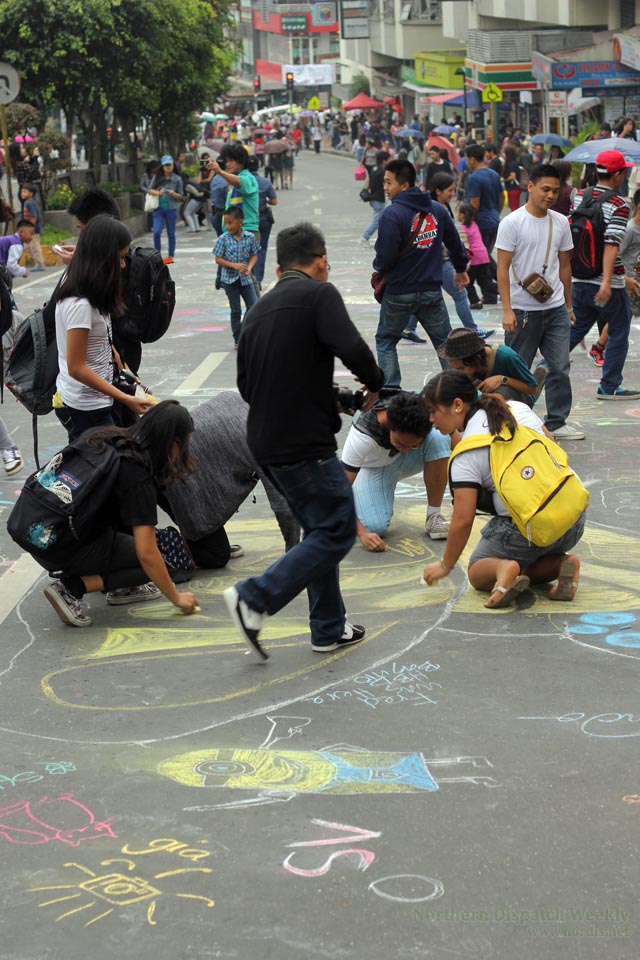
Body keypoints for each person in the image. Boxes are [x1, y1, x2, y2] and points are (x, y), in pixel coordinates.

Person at [223, 222, 384, 659]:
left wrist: (330, 399)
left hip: (265, 441)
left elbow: (250, 386)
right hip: (303, 445)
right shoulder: (319, 294)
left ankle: (328, 628)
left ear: (277, 266)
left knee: (319, 529)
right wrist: (374, 382)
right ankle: (254, 597)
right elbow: (352, 347)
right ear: (320, 260)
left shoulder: (256, 312)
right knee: (335, 531)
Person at [23, 401, 200, 626]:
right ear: (173, 441)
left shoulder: (107, 435)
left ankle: (118, 584)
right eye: (186, 443)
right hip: (59, 545)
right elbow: (147, 553)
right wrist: (176, 598)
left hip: (36, 529)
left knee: (138, 544)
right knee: (156, 559)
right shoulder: (137, 473)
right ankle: (71, 589)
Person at [421, 371, 585, 607]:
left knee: (478, 571)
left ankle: (504, 568)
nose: (431, 419)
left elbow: (463, 519)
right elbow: (554, 451)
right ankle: (561, 564)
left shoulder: (466, 452)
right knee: (526, 557)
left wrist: (445, 565)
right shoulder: (516, 407)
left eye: (433, 410)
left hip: (530, 528)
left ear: (457, 405)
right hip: (573, 516)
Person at [496, 164, 585, 440]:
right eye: (545, 189)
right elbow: (502, 267)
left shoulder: (560, 222)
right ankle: (517, 421)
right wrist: (507, 309)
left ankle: (557, 421)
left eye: (555, 191)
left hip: (555, 309)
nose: (550, 195)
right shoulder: (512, 223)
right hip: (522, 312)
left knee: (559, 366)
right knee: (517, 369)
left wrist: (568, 306)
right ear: (530, 186)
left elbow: (565, 266)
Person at [162, 392, 299, 567]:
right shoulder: (265, 439)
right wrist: (295, 552)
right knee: (214, 556)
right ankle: (152, 547)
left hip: (166, 463)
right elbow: (284, 506)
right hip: (172, 481)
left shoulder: (237, 397)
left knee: (213, 542)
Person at [53, 215, 152, 443]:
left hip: (101, 398)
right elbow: (76, 367)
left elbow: (102, 338)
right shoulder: (80, 304)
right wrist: (125, 399)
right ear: (102, 258)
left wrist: (122, 366)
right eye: (119, 257)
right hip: (85, 407)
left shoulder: (91, 285)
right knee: (97, 471)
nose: (123, 265)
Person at [372, 159, 469, 388]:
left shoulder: (392, 214)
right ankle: (457, 391)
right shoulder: (437, 210)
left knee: (386, 340)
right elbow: (455, 244)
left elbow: (384, 258)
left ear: (404, 185)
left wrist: (379, 267)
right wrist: (460, 269)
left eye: (388, 183)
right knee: (445, 344)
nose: (385, 187)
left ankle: (390, 391)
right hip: (430, 291)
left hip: (398, 292)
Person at [569, 150, 640, 401]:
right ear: (618, 174)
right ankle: (609, 385)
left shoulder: (579, 197)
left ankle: (547, 363)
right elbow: (611, 244)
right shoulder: (619, 204)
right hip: (606, 284)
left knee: (578, 326)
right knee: (620, 326)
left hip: (579, 278)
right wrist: (608, 282)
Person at [341, 391, 450, 551]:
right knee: (374, 527)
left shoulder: (423, 410)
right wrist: (362, 533)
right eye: (400, 443)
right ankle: (361, 488)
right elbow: (340, 490)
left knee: (440, 437)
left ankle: (434, 515)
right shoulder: (363, 434)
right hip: (373, 468)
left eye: (413, 445)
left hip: (401, 462)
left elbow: (458, 444)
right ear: (390, 425)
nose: (406, 450)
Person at [437, 328, 543, 407]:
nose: (459, 372)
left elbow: (532, 389)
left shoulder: (506, 356)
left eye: (461, 369)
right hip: (487, 392)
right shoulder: (468, 364)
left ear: (477, 358)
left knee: (499, 393)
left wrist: (503, 379)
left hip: (518, 398)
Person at [213, 207, 260, 347]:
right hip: (229, 280)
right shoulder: (223, 239)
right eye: (225, 223)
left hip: (246, 279)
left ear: (240, 222)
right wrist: (234, 266)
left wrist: (249, 268)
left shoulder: (250, 237)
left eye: (230, 223)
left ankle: (245, 333)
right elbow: (218, 259)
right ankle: (238, 339)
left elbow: (254, 255)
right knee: (236, 310)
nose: (227, 226)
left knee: (253, 306)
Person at [208, 143, 259, 240]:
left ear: (241, 161)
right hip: (232, 231)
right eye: (226, 161)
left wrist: (220, 171)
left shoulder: (248, 178)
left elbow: (239, 182)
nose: (227, 164)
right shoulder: (232, 181)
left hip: (246, 231)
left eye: (231, 161)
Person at [456, 203, 499, 307]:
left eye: (457, 212)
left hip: (474, 258)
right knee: (485, 281)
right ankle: (503, 288)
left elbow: (466, 246)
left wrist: (467, 262)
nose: (456, 214)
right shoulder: (474, 224)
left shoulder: (463, 228)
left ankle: (475, 302)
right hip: (484, 256)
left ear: (462, 215)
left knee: (468, 282)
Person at [465, 144, 503, 257]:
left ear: (472, 159)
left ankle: (498, 274)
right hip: (495, 221)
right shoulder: (494, 174)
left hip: (481, 223)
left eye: (467, 159)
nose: (466, 162)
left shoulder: (474, 178)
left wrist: (468, 222)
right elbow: (502, 197)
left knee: (481, 257)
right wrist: (496, 212)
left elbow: (474, 204)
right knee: (485, 255)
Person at [247, 155, 277, 284]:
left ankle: (249, 275)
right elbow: (274, 201)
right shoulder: (265, 182)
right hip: (263, 218)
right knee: (261, 249)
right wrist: (265, 200)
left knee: (247, 249)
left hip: (247, 219)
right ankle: (258, 278)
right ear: (258, 167)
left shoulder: (242, 181)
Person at [148, 155, 184, 258]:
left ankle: (170, 257)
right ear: (162, 166)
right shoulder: (157, 177)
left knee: (171, 234)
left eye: (169, 165)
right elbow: (150, 190)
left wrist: (174, 193)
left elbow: (181, 196)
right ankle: (157, 256)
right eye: (166, 165)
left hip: (171, 209)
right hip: (158, 209)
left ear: (173, 165)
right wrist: (158, 192)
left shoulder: (177, 179)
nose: (168, 167)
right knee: (157, 232)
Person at [358, 150, 389, 246]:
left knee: (382, 220)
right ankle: (365, 237)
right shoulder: (383, 172)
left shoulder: (374, 169)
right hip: (378, 199)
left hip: (373, 197)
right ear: (384, 161)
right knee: (377, 220)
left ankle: (383, 238)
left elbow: (369, 181)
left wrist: (364, 190)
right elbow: (385, 185)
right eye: (388, 159)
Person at [19, 183, 45, 271]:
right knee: (28, 247)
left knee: (34, 246)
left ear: (31, 194)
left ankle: (40, 264)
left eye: (24, 192)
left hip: (33, 230)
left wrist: (30, 229)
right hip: (28, 229)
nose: (22, 193)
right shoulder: (26, 202)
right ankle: (39, 260)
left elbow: (34, 217)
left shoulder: (31, 203)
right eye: (22, 191)